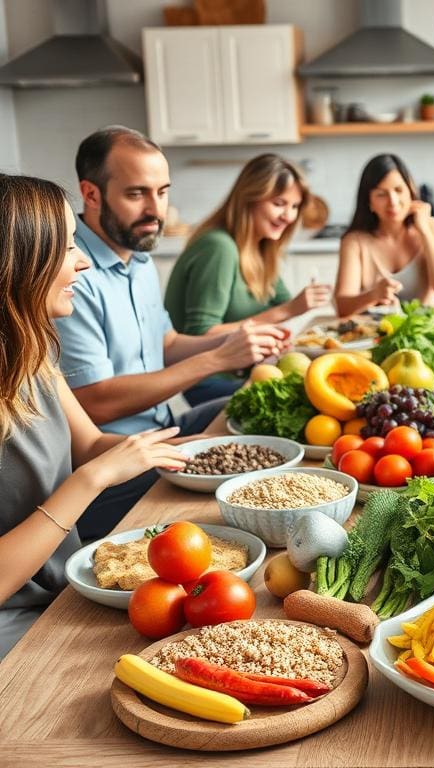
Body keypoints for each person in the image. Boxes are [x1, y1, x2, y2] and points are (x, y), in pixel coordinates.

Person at [54, 126, 286, 539]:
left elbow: (166, 343)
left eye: (162, 192)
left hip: (161, 428)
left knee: (260, 420)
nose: (156, 209)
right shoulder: (70, 275)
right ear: (90, 194)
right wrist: (215, 360)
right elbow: (96, 403)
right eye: (136, 193)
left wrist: (236, 342)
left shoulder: (137, 256)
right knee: (242, 498)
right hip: (112, 462)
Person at [0, 174, 189, 658]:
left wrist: (181, 454)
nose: (82, 260)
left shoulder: (35, 351)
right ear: (18, 264)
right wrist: (92, 479)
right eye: (65, 248)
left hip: (61, 587)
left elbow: (88, 445)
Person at [164, 154, 331, 405]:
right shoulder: (218, 247)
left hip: (248, 370)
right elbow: (202, 333)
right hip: (211, 380)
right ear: (249, 199)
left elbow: (282, 305)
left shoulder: (261, 247)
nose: (289, 215)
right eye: (279, 203)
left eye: (294, 206)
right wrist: (289, 309)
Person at [334, 154, 434, 316]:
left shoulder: (432, 227)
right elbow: (342, 308)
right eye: (381, 194)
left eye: (399, 190)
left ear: (411, 191)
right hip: (373, 333)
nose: (393, 201)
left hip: (424, 332)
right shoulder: (354, 241)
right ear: (369, 202)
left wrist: (424, 231)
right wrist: (373, 295)